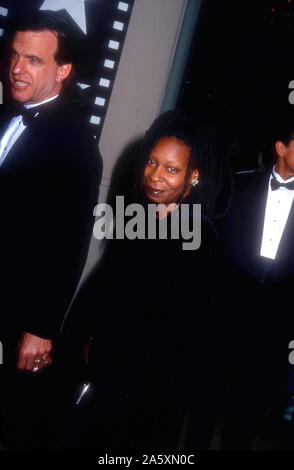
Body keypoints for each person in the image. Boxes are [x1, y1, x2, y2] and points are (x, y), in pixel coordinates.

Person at [60, 110, 231, 449]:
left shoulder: (198, 237)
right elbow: (107, 287)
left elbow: (182, 336)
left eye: (172, 169)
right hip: (106, 376)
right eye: (152, 163)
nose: (155, 177)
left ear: (193, 177)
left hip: (144, 397)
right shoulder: (140, 216)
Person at [0, 11, 102, 449]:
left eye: (34, 61)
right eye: (15, 55)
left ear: (63, 70)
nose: (17, 69)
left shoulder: (76, 146)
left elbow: (69, 246)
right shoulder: (7, 113)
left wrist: (41, 327)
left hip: (13, 312)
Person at [216, 111, 294, 449]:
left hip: (277, 316)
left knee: (251, 401)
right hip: (229, 304)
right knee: (206, 389)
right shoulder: (240, 183)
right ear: (281, 148)